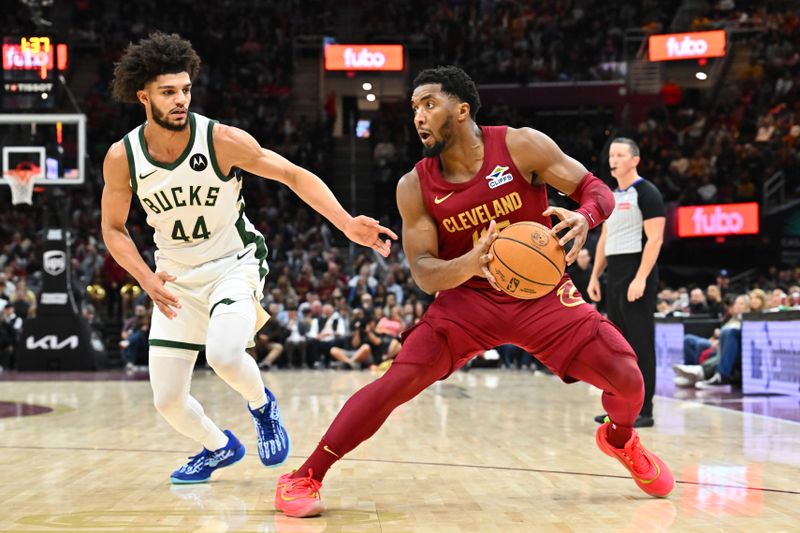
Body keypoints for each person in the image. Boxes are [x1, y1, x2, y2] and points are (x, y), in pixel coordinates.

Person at [274, 66, 673, 518]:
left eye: (429, 104)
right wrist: (471, 262)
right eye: (414, 109)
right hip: (467, 303)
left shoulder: (520, 145)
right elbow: (424, 273)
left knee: (628, 376)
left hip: (541, 297)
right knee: (395, 383)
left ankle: (620, 438)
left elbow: (592, 187)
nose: (418, 117)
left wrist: (586, 216)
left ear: (462, 110)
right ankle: (303, 475)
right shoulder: (414, 186)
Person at [101, 32, 396, 484]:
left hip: (232, 263)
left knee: (222, 352)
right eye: (168, 92)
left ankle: (263, 407)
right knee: (167, 400)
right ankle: (219, 447)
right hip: (174, 278)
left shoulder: (221, 140)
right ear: (144, 96)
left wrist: (345, 223)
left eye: (185, 89)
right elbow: (113, 229)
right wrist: (144, 277)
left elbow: (292, 175)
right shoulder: (123, 157)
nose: (180, 99)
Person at [587, 138, 665, 428]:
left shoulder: (648, 193)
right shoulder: (610, 194)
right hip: (615, 274)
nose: (614, 160)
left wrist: (641, 278)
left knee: (640, 346)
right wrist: (595, 275)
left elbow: (655, 239)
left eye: (620, 155)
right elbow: (605, 239)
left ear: (635, 160)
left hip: (636, 272)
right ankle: (619, 409)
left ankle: (645, 409)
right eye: (611, 155)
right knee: (616, 348)